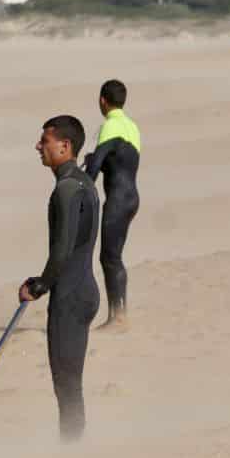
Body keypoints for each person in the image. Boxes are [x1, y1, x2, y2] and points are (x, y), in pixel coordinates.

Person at [19, 116, 101, 443]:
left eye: (45, 141)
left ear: (64, 146)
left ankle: (70, 451)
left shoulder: (65, 190)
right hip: (84, 290)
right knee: (70, 384)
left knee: (66, 385)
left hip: (69, 296)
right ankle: (72, 445)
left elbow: (62, 250)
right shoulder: (85, 183)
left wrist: (39, 285)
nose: (38, 147)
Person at [84, 79, 141, 330]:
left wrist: (81, 194)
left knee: (110, 257)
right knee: (113, 256)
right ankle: (119, 314)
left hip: (117, 199)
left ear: (102, 101)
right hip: (131, 197)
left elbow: (96, 167)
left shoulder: (110, 126)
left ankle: (118, 317)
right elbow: (121, 163)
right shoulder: (132, 127)